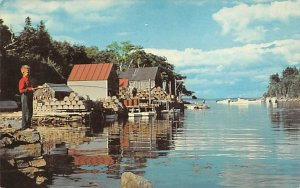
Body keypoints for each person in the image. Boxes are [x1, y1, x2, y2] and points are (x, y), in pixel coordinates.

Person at [19, 65, 35, 129]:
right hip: (25, 96)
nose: (28, 73)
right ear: (23, 72)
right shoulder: (22, 80)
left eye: (29, 71)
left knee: (30, 110)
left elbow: (31, 87)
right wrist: (30, 89)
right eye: (27, 72)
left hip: (29, 95)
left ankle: (28, 125)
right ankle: (24, 126)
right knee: (25, 111)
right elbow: (21, 90)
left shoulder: (29, 79)